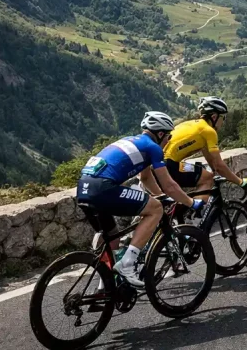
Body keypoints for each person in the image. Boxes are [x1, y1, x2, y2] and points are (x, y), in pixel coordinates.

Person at [77, 112, 201, 288]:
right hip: (103, 188)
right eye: (168, 136)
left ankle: (104, 287)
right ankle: (127, 264)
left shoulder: (133, 141)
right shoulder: (153, 148)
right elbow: (170, 186)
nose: (169, 140)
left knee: (112, 239)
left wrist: (162, 197)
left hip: (83, 188)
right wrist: (191, 202)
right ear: (160, 134)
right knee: (156, 209)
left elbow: (145, 177)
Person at [163, 96, 247, 199]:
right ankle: (197, 213)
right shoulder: (209, 131)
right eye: (223, 117)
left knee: (203, 172)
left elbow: (210, 159)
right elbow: (219, 165)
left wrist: (213, 170)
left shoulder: (194, 125)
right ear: (214, 117)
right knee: (208, 179)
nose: (223, 121)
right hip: (169, 164)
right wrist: (240, 182)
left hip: (160, 163)